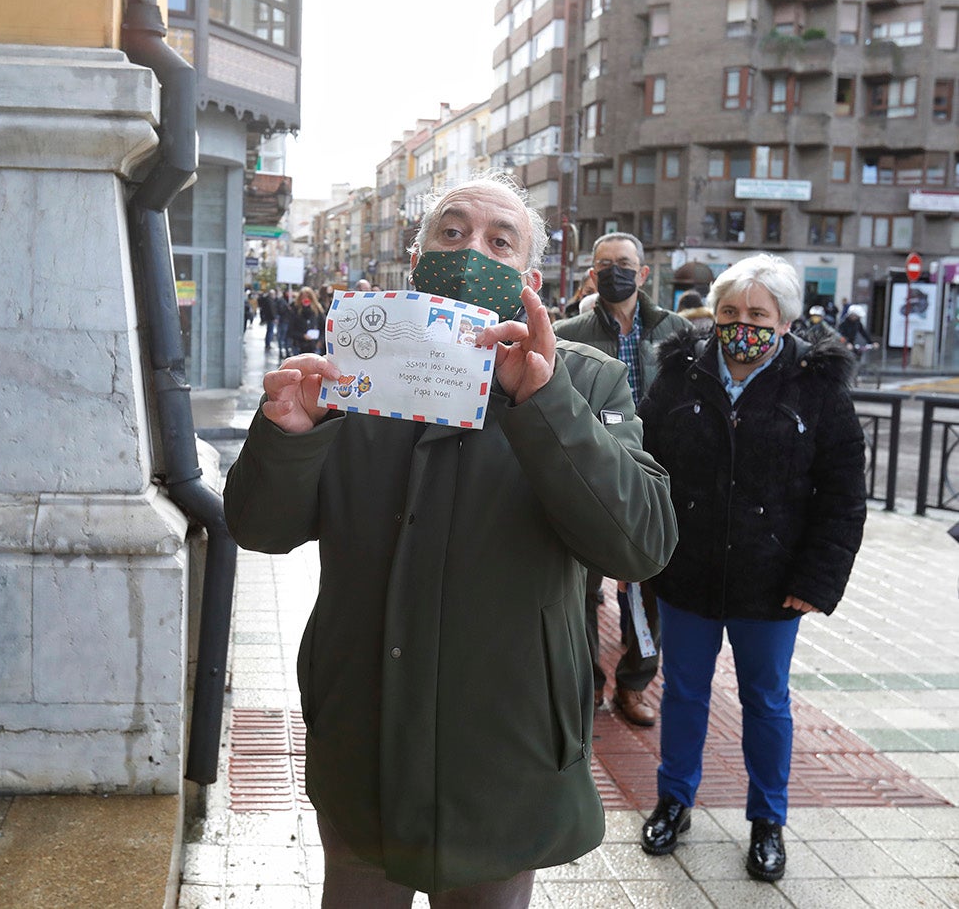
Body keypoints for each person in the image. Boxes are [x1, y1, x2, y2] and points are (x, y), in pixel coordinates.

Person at [224, 173, 678, 906]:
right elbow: (259, 528)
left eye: (500, 241)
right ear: (418, 257)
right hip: (362, 728)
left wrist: (544, 401)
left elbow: (640, 544)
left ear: (528, 280)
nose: (472, 250)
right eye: (452, 232)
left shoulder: (584, 381)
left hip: (504, 741)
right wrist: (287, 439)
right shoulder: (352, 376)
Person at [636, 254, 866, 883]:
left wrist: (815, 582)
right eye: (730, 312)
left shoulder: (815, 388)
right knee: (683, 692)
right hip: (688, 572)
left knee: (766, 701)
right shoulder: (680, 375)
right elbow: (645, 467)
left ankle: (767, 820)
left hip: (773, 582)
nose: (742, 324)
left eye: (758, 314)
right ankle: (674, 801)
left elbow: (843, 496)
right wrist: (644, 552)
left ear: (786, 321)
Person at [553, 233, 693, 728]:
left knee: (649, 585)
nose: (616, 271)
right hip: (592, 476)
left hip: (656, 478)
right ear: (592, 274)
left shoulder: (677, 332)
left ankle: (634, 683)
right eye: (605, 264)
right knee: (581, 589)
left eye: (625, 263)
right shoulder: (566, 332)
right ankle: (588, 683)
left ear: (644, 272)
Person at [290, 285, 326, 355]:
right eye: (303, 297)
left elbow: (324, 327)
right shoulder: (295, 310)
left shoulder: (318, 310)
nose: (305, 299)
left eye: (308, 297)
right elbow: (291, 331)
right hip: (299, 346)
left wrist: (320, 340)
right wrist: (303, 336)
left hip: (314, 346)